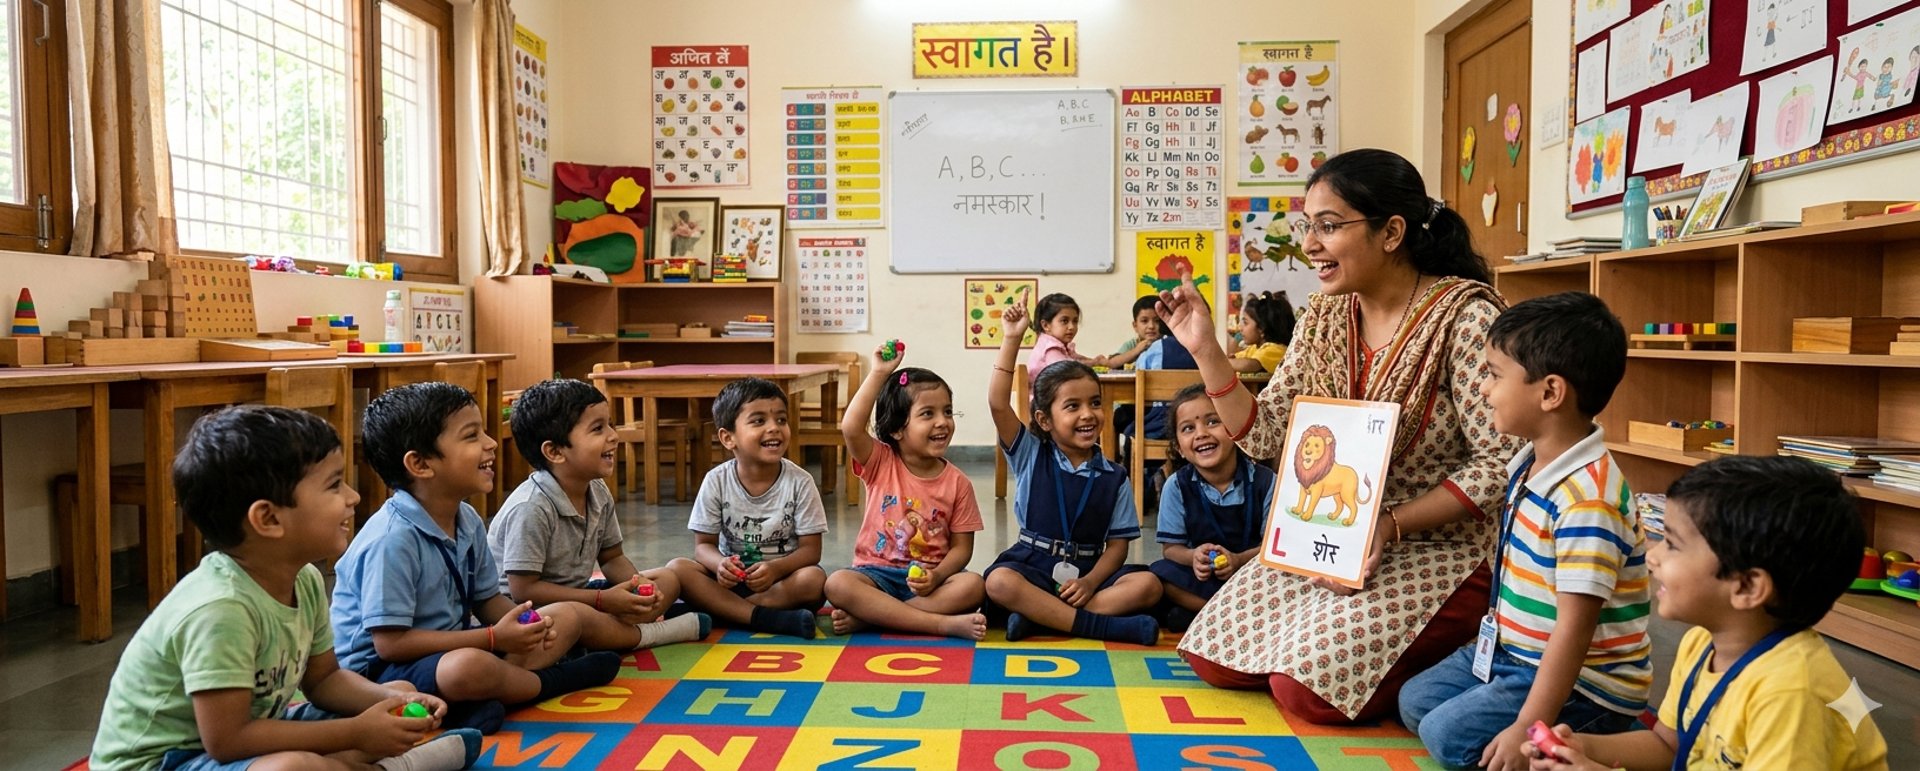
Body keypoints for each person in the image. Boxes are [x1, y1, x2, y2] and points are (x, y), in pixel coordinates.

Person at [1155, 147, 1524, 724]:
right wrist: (1205, 351)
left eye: (1328, 226)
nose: (1309, 245)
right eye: (1308, 226)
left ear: (1392, 231)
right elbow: (1267, 433)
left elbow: (1504, 462)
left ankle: (1465, 648)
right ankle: (1359, 645)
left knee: (1307, 692)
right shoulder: (1324, 317)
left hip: (1437, 546)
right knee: (1214, 657)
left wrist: (1391, 522)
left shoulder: (1466, 316)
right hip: (1331, 535)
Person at [91, 406, 482, 771]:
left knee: (393, 690)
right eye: (333, 486)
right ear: (268, 518)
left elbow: (325, 680)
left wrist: (394, 701)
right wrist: (354, 733)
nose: (354, 497)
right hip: (168, 761)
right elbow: (227, 740)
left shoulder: (305, 578)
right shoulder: (221, 608)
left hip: (252, 734)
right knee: (292, 767)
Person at [1398, 292, 1648, 770]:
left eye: (1493, 375)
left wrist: (1525, 725)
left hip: (1586, 683)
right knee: (1415, 701)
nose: (1484, 391)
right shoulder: (1530, 461)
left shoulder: (1587, 500)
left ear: (1550, 393)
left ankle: (1596, 739)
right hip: (1512, 653)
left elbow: (1575, 629)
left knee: (1446, 736)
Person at [1527, 457, 1889, 771]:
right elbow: (1669, 746)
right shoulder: (1702, 641)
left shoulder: (1791, 694)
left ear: (1746, 588)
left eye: (1672, 544)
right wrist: (1582, 747)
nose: (1652, 556)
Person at [332, 383, 620, 734]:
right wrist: (493, 639)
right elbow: (391, 644)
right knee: (466, 668)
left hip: (455, 643)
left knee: (563, 616)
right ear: (420, 464)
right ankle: (549, 683)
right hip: (380, 671)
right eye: (471, 436)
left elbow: (486, 600)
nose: (491, 443)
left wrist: (527, 624)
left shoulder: (466, 518)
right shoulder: (392, 539)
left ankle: (491, 694)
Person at [986, 302, 1164, 645]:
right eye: (1072, 406)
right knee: (999, 583)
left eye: (1095, 403)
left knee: (1148, 585)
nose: (1088, 414)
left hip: (1087, 571)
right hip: (1034, 566)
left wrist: (1090, 582)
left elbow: (1117, 546)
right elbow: (997, 402)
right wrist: (1011, 338)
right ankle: (1100, 627)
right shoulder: (1031, 454)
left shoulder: (1114, 475)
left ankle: (1041, 617)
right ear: (1044, 420)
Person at [488, 378, 708, 651]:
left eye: (610, 424)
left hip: (581, 596)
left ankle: (617, 628)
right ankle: (651, 634)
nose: (613, 436)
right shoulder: (531, 507)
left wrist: (638, 588)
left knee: (669, 578)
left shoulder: (597, 490)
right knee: (574, 618)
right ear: (555, 451)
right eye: (597, 429)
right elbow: (524, 590)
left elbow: (612, 557)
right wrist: (603, 601)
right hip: (529, 614)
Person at [823, 344, 989, 640]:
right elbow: (851, 427)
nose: (943, 421)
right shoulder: (880, 462)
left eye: (947, 411)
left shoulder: (958, 482)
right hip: (876, 575)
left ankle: (876, 617)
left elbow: (962, 549)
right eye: (928, 413)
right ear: (898, 429)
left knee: (974, 585)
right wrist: (879, 373)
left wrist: (937, 576)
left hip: (931, 582)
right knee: (837, 583)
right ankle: (937, 624)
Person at [667, 378, 830, 639]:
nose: (774, 428)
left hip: (778, 582)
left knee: (814, 580)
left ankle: (721, 612)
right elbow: (702, 547)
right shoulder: (716, 480)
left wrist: (776, 569)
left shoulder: (801, 481)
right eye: (758, 421)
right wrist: (720, 564)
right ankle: (765, 619)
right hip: (729, 582)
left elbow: (811, 551)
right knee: (677, 568)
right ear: (728, 438)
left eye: (781, 420)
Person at [1148, 384, 1276, 632]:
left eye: (1212, 422)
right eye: (1188, 428)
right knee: (1160, 574)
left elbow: (1272, 548)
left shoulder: (1265, 481)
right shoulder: (1176, 485)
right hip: (1202, 579)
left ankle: (1206, 613)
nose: (1201, 433)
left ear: (1235, 431)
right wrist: (1193, 556)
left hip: (1251, 575)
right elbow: (1171, 550)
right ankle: (1232, 615)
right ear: (1178, 448)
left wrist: (1237, 560)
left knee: (1286, 575)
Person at [1026, 292, 1109, 380]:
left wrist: (1095, 362)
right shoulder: (1050, 347)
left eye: (1075, 321)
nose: (1071, 327)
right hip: (1044, 394)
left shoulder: (1061, 345)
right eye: (1064, 321)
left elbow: (1075, 359)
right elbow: (1067, 370)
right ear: (1046, 325)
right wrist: (1093, 363)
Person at [1228, 291, 1295, 374]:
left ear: (1261, 328)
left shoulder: (1275, 349)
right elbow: (1236, 358)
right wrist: (1231, 359)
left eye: (1245, 323)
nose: (1240, 328)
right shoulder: (1254, 348)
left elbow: (1248, 365)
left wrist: (1225, 362)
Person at [1105, 295, 1163, 369]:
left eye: (1157, 321)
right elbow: (1112, 363)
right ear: (1135, 326)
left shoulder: (1168, 343)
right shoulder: (1132, 345)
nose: (1151, 326)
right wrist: (1136, 350)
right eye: (1144, 321)